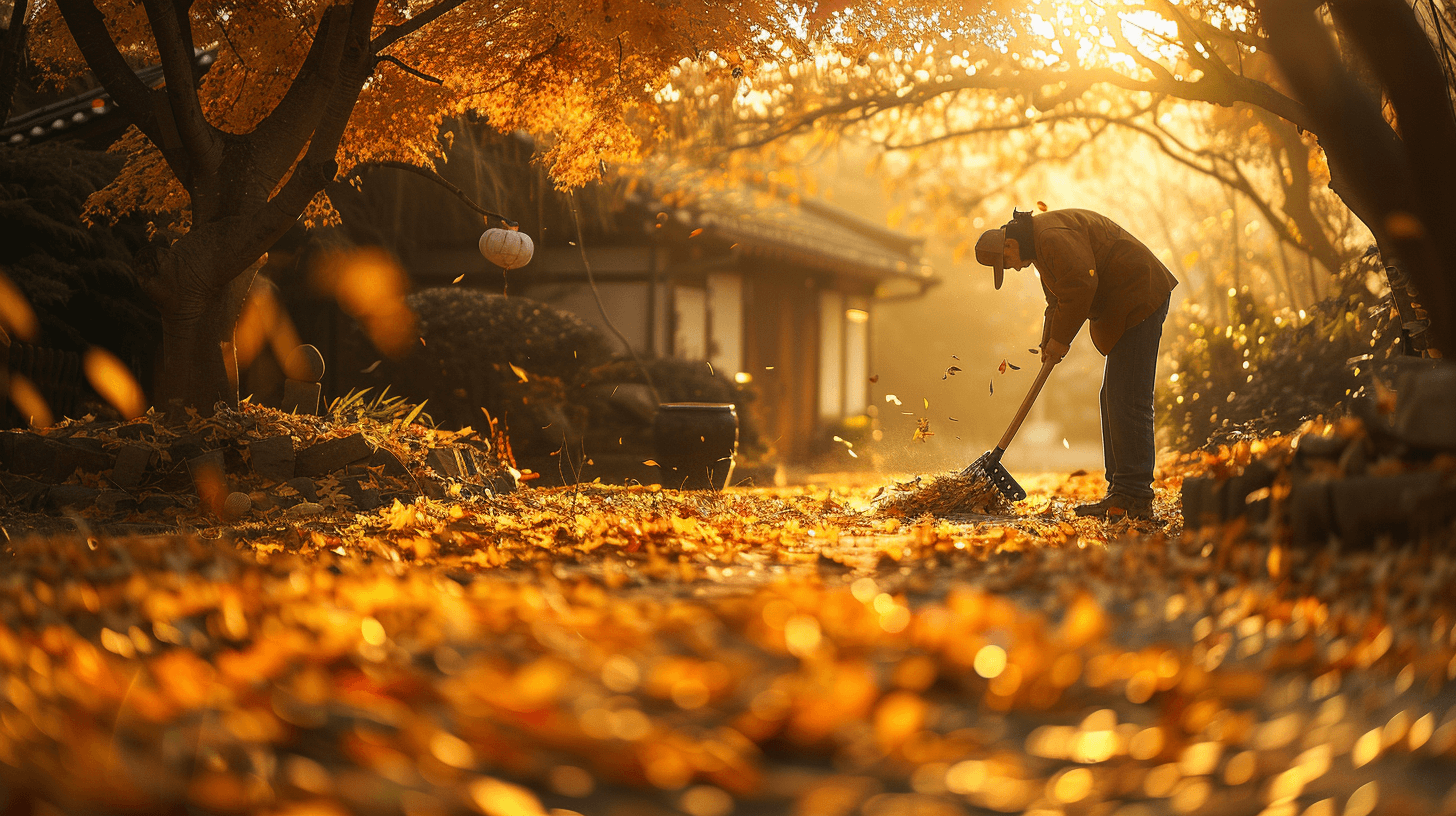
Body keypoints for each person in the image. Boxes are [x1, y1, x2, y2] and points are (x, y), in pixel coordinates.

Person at [974, 208, 1178, 519]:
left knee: (1128, 396)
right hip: (1125, 300)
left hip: (1139, 294)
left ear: (1009, 245)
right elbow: (1056, 301)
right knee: (1113, 396)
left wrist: (1061, 340)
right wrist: (1049, 342)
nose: (1012, 268)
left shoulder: (1050, 237)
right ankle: (1120, 491)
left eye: (1007, 262)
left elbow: (1081, 284)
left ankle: (1134, 495)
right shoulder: (1040, 249)